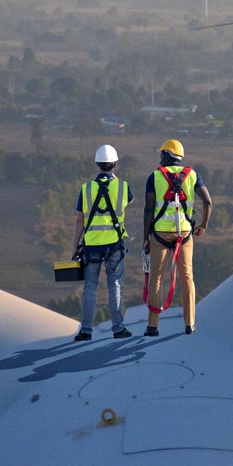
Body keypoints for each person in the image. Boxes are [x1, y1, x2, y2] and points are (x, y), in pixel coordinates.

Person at [143, 138, 211, 336]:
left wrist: (145, 237)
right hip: (185, 234)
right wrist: (203, 226)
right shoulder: (192, 176)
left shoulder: (154, 177)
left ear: (167, 155)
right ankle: (190, 324)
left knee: (156, 278)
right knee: (187, 277)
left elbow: (148, 209)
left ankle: (153, 326)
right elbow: (207, 202)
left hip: (160, 234)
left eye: (161, 154)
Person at [71, 144, 133, 341]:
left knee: (90, 287)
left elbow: (80, 220)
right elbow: (128, 201)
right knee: (115, 285)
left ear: (97, 164)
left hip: (91, 246)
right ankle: (118, 329)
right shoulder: (123, 187)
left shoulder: (86, 188)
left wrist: (75, 246)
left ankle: (86, 331)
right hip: (114, 245)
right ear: (114, 164)